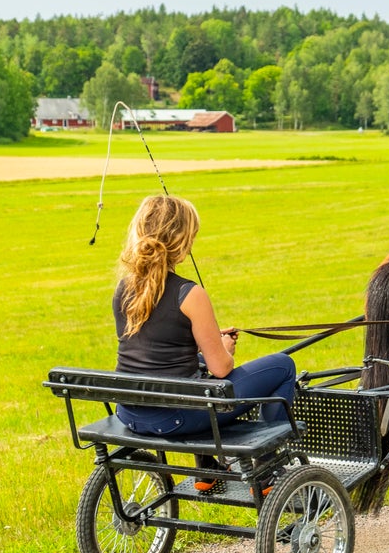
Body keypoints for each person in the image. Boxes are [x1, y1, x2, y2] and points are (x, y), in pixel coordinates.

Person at [112, 195, 296, 490]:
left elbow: (157, 349)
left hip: (131, 412)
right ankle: (266, 469)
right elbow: (221, 368)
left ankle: (207, 469)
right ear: (181, 241)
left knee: (196, 375)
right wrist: (224, 348)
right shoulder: (190, 294)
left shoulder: (124, 288)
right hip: (178, 417)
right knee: (284, 365)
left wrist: (205, 343)